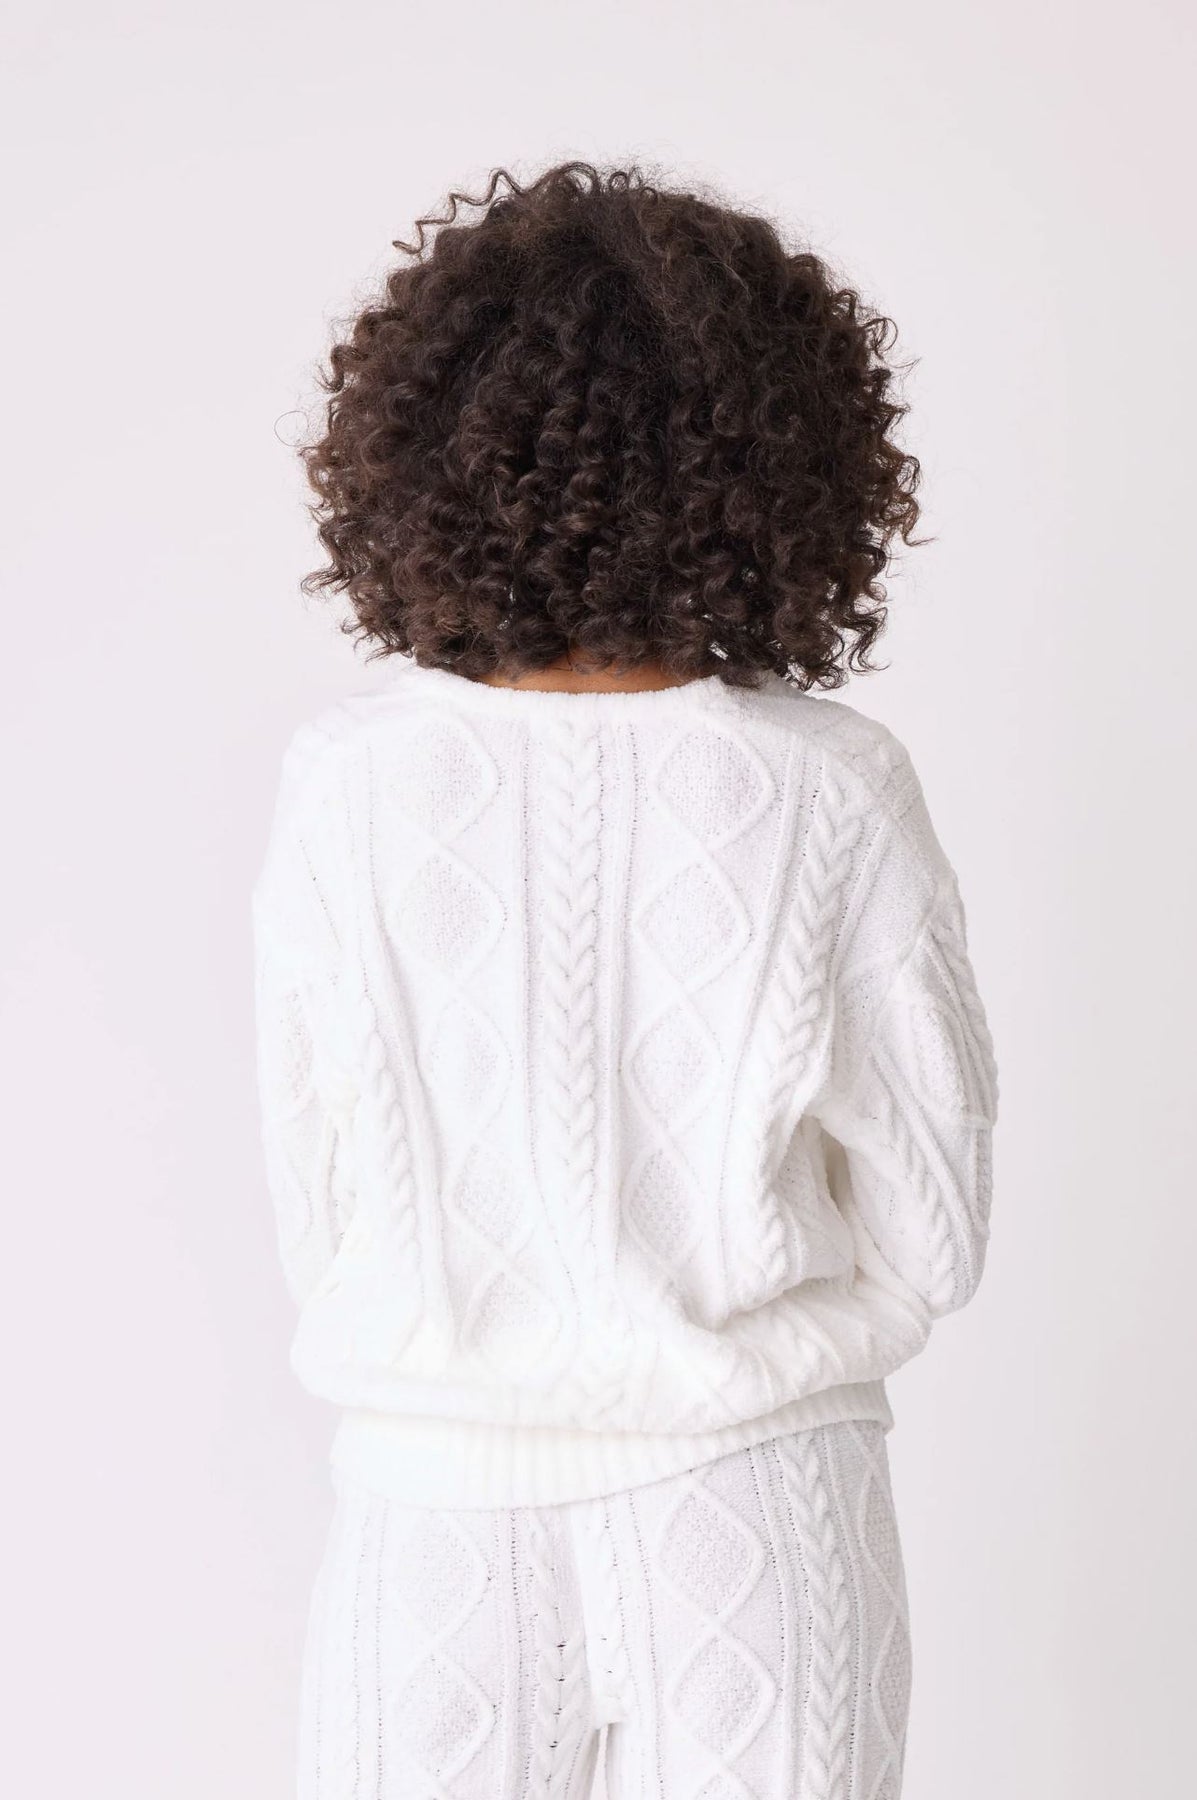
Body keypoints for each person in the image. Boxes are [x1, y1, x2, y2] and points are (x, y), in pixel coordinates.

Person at [251, 159, 999, 1800]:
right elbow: (935, 1234)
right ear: (786, 465)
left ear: (421, 455)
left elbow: (320, 1206)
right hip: (758, 1503)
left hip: (429, 1525)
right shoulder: (828, 788)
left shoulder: (349, 787)